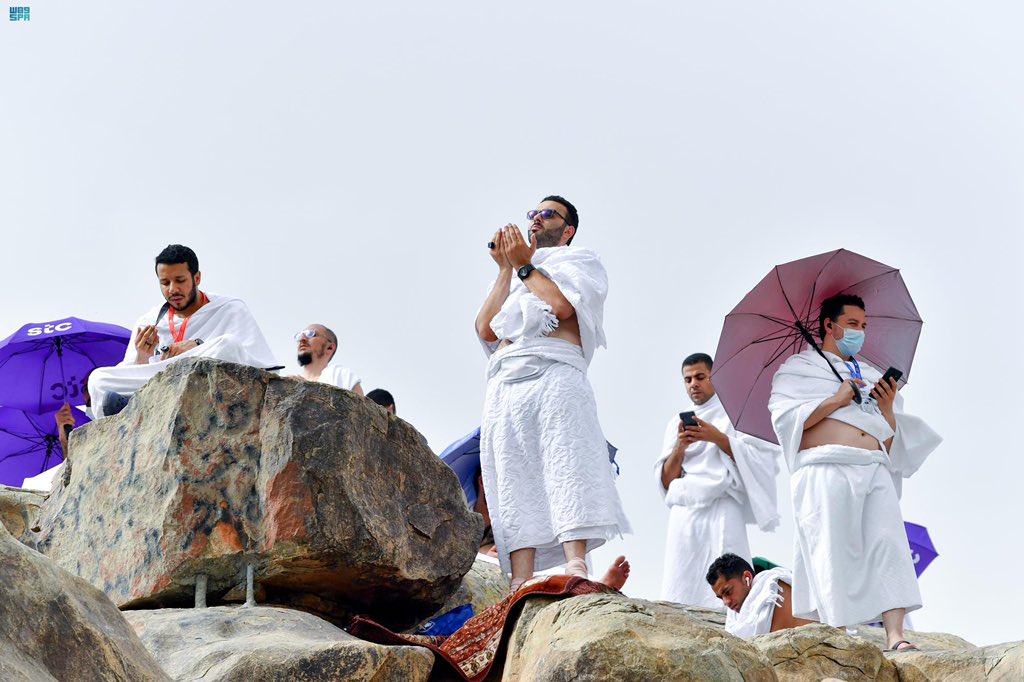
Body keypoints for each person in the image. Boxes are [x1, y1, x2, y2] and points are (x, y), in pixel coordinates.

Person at [475, 195, 631, 592]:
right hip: (507, 382)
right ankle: (521, 578)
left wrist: (525, 265)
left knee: (566, 464)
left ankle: (575, 561)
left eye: (547, 214)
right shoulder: (521, 277)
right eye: (533, 213)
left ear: (568, 229)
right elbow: (486, 329)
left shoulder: (580, 262)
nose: (536, 219)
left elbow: (561, 307)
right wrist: (504, 270)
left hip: (555, 373)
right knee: (514, 477)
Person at [769, 293, 942, 652]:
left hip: (873, 466)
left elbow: (889, 435)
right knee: (833, 547)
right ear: (828, 326)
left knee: (888, 543)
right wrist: (835, 399)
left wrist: (888, 407)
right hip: (825, 466)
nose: (859, 332)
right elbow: (785, 423)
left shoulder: (870, 373)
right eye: (852, 324)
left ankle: (895, 634)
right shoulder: (797, 370)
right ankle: (839, 629)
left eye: (863, 325)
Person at [88, 245, 278, 417]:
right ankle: (139, 407)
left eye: (180, 280)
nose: (173, 289)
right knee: (98, 379)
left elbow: (256, 363)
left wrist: (197, 346)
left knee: (228, 344)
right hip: (159, 382)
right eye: (165, 283)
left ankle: (143, 405)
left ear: (197, 278)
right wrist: (142, 357)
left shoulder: (230, 308)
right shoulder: (148, 321)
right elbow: (133, 374)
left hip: (203, 379)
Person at [655, 353, 781, 608]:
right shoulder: (675, 425)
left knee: (730, 578)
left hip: (724, 506)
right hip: (686, 510)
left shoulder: (735, 414)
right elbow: (667, 482)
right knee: (682, 581)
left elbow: (763, 461)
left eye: (700, 377)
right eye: (688, 379)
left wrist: (718, 438)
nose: (694, 384)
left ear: (714, 377)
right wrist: (680, 448)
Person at [706, 553, 813, 638]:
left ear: (746, 577)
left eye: (728, 592)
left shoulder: (774, 589)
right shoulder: (734, 618)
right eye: (721, 598)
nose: (726, 602)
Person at [293, 324, 363, 395]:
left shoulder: (343, 376)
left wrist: (308, 388)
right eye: (300, 336)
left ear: (330, 348)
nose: (302, 339)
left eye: (310, 334)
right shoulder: (291, 383)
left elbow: (361, 405)